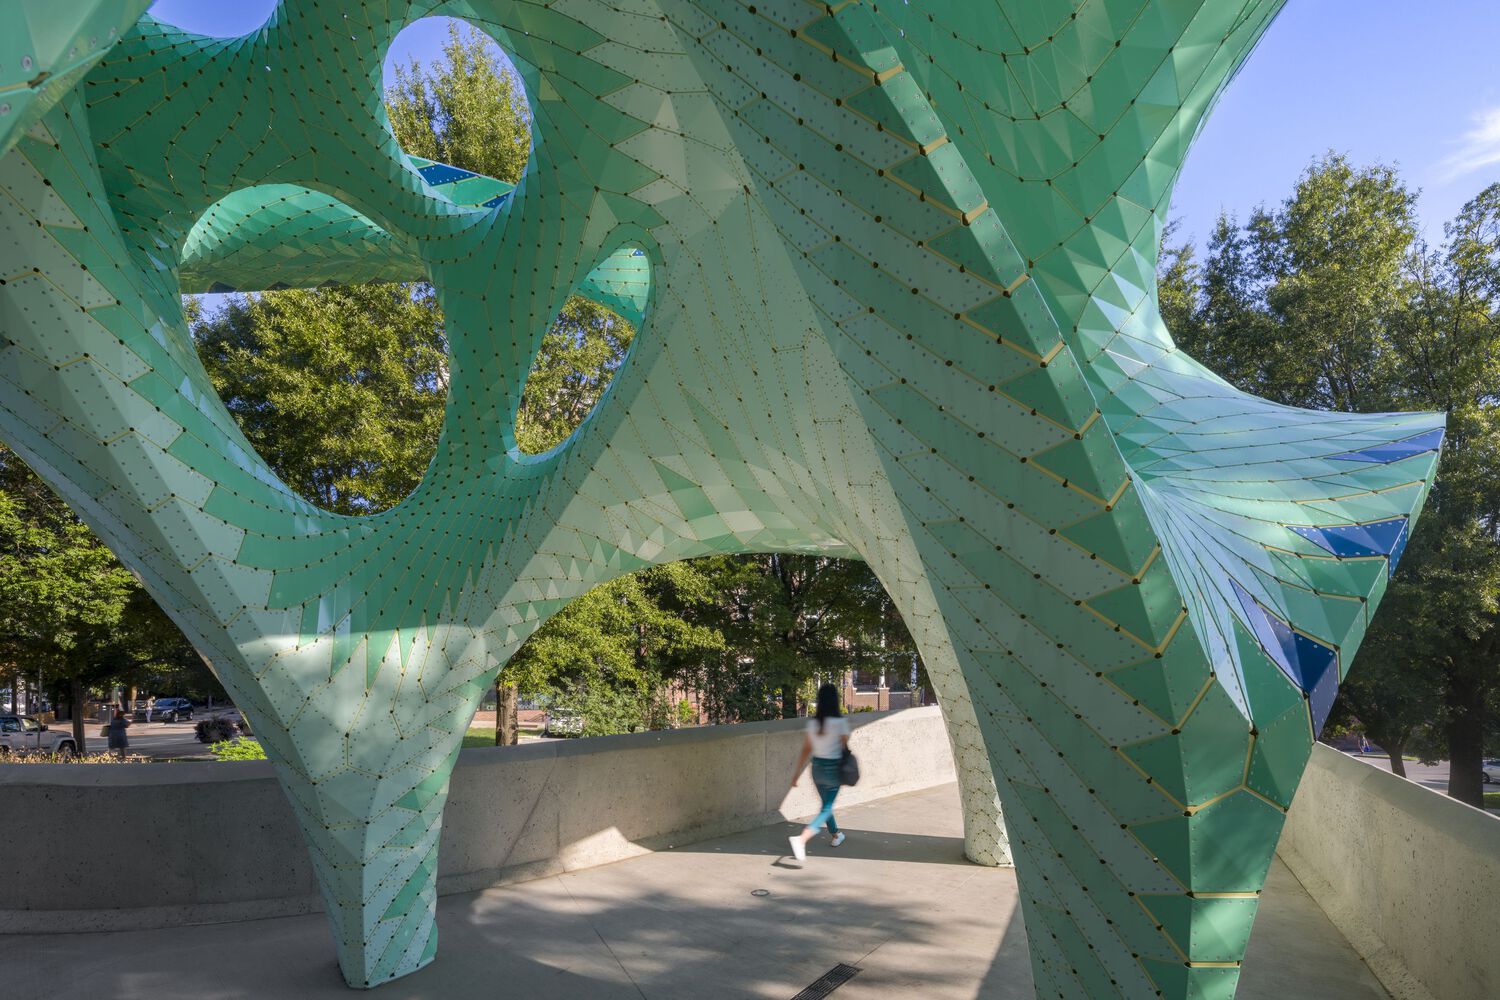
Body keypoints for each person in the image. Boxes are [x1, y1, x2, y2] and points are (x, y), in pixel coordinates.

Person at [788, 683, 850, 862]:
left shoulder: (814, 724)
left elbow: (806, 750)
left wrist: (796, 774)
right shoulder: (840, 723)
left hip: (817, 769)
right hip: (833, 768)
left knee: (825, 805)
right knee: (827, 807)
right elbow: (844, 746)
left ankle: (836, 834)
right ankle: (802, 839)